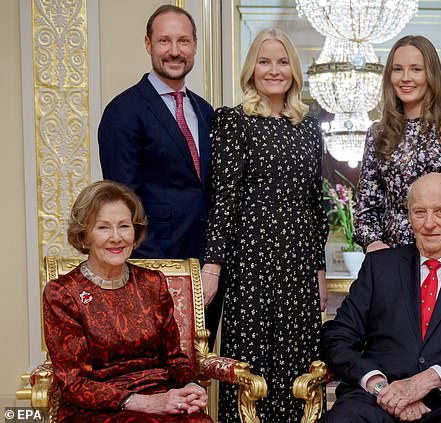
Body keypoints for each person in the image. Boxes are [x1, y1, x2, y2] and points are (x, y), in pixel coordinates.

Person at [200, 28, 329, 423]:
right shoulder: (232, 121)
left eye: (283, 61)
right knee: (251, 364)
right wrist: (212, 267)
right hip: (250, 263)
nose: (274, 70)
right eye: (264, 61)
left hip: (299, 264)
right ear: (251, 69)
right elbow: (223, 201)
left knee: (298, 364)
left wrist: (319, 269)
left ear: (294, 69)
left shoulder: (309, 127)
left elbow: (315, 203)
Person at [320, 173, 441, 422]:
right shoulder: (380, 266)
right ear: (409, 216)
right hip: (376, 399)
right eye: (419, 212)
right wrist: (379, 386)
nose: (429, 224)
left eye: (440, 212)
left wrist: (426, 380)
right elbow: (336, 337)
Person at [97, 4, 220, 341]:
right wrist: (157, 273)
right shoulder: (124, 111)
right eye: (165, 41)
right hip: (153, 268)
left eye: (183, 41)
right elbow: (124, 203)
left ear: (195, 45)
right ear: (148, 44)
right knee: (157, 373)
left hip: (205, 267)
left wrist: (211, 264)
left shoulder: (205, 111)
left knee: (197, 368)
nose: (175, 51)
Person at [43, 180, 212, 423]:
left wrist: (190, 385)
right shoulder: (62, 293)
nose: (116, 238)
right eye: (103, 228)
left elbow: (174, 358)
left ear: (135, 232)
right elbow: (74, 383)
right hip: (95, 409)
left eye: (124, 226)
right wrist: (147, 404)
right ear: (84, 235)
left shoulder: (153, 283)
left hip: (162, 397)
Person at [354, 35, 441, 253]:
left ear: (431, 74)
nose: (405, 78)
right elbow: (366, 206)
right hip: (391, 259)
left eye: (416, 69)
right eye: (397, 69)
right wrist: (373, 243)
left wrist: (439, 241)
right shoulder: (378, 133)